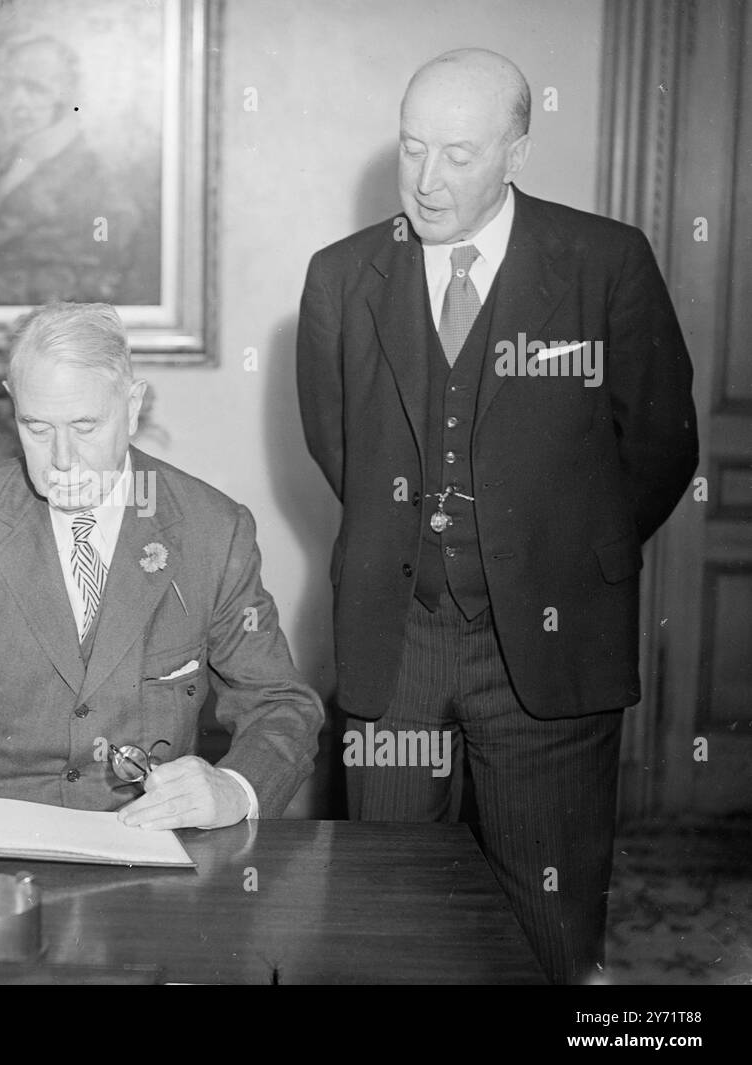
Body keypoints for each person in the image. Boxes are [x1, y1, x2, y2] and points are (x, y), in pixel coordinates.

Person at [296, 49, 698, 982]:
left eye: (460, 154)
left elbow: (661, 446)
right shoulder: (342, 275)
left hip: (553, 649)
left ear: (516, 153)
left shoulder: (604, 263)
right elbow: (339, 448)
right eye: (411, 148)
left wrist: (557, 556)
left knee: (550, 925)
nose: (427, 180)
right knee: (389, 923)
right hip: (397, 645)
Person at [0, 302, 322, 828]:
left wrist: (234, 789)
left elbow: (281, 705)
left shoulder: (211, 529)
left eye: (86, 426)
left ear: (132, 407)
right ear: (13, 406)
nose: (62, 459)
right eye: (36, 428)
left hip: (146, 837)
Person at [0, 36, 148, 306]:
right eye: (10, 87)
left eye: (34, 88)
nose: (17, 102)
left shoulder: (102, 187)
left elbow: (95, 290)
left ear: (68, 92)